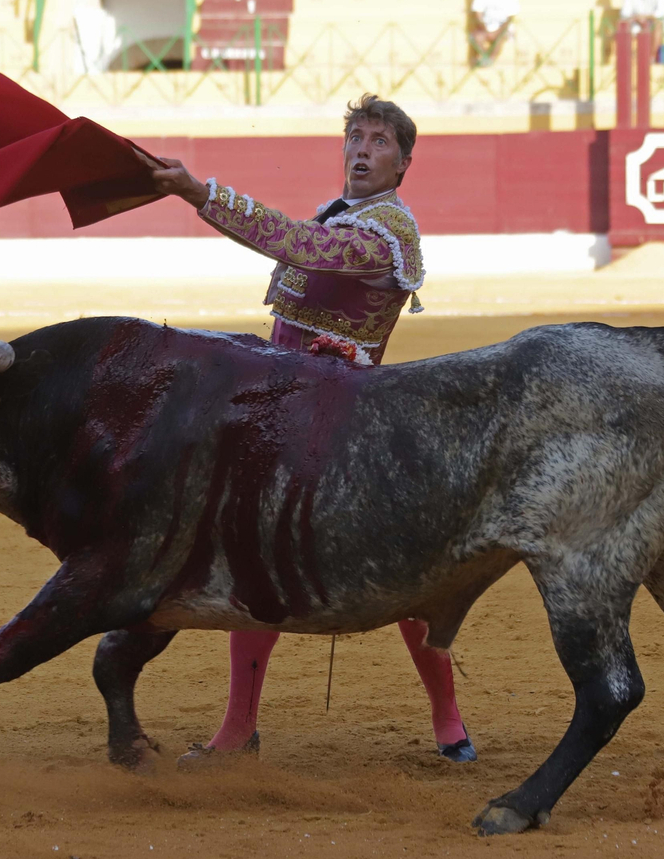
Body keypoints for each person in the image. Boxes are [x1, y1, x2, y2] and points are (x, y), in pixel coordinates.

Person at [150, 94, 478, 769]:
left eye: (380, 140)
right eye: (354, 135)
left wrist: (200, 192)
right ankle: (239, 725)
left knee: (407, 580)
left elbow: (296, 244)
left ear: (403, 163)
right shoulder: (342, 215)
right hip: (287, 410)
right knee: (249, 558)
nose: (361, 148)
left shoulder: (390, 232)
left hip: (352, 421)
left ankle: (448, 716)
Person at [469, 0, 519, 67]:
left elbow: (510, 18)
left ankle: (490, 59)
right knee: (477, 37)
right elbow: (478, 15)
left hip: (503, 29)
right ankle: (486, 57)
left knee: (500, 38)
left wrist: (496, 32)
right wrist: (486, 30)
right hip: (486, 28)